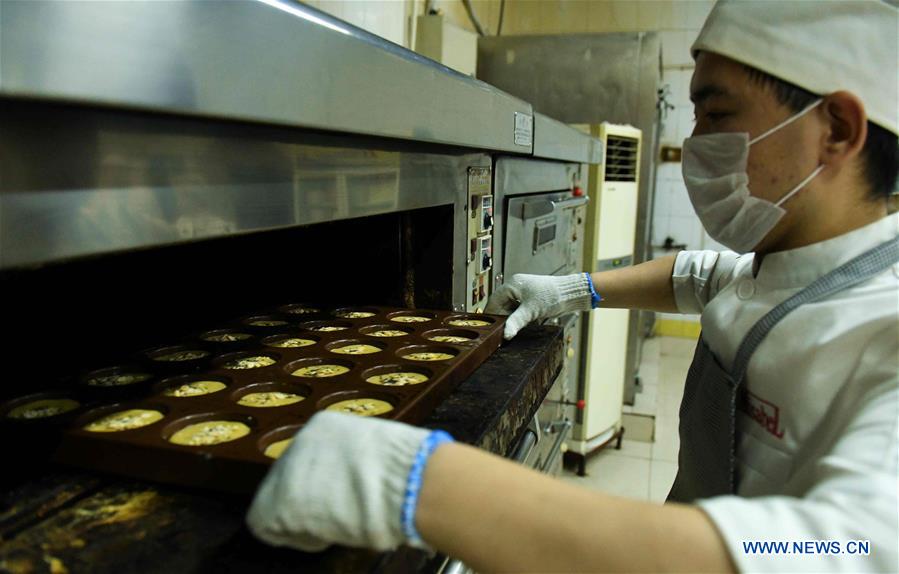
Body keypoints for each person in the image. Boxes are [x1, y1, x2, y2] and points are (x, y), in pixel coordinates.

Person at [246, 1, 899, 571]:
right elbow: (700, 275)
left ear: (837, 129)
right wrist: (574, 289)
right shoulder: (793, 267)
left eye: (717, 113)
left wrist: (414, 484)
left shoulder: (884, 332)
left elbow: (830, 554)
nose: (695, 143)